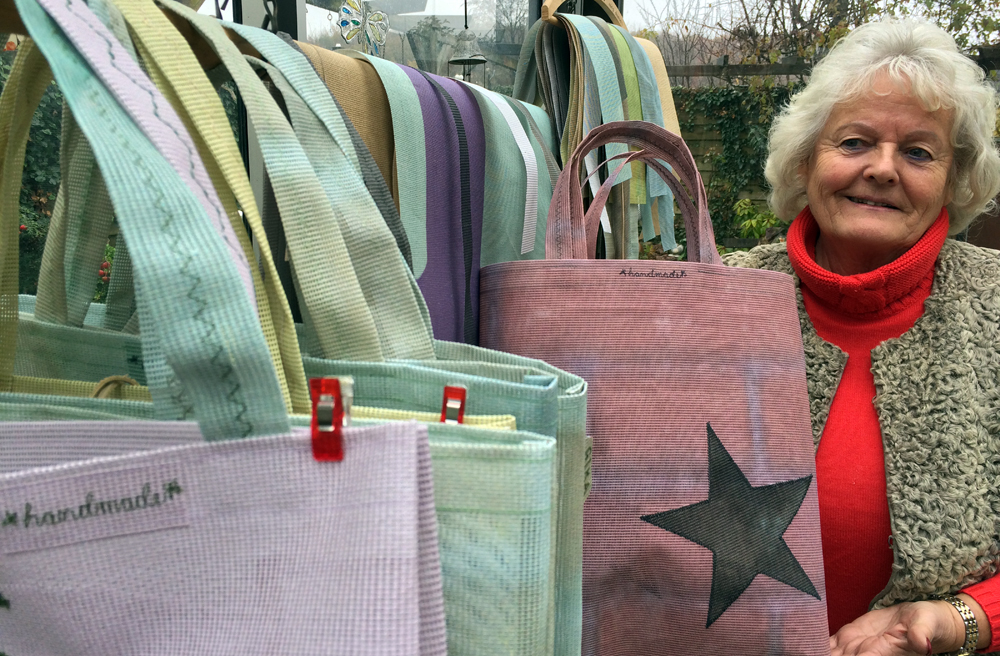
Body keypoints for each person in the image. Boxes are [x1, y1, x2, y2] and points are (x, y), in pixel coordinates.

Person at [724, 18, 1000, 656]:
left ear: (955, 181)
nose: (881, 169)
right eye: (854, 142)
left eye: (918, 152)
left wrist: (961, 619)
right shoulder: (716, 298)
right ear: (805, 159)